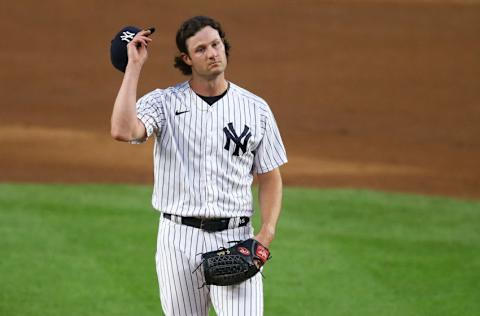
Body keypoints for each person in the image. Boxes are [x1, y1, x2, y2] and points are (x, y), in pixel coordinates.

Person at [110, 15, 287, 316]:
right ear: (187, 58)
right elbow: (123, 130)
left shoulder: (256, 109)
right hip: (177, 239)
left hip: (236, 239)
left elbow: (270, 177)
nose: (213, 53)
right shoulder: (164, 103)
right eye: (202, 49)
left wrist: (265, 234)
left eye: (216, 44)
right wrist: (133, 69)